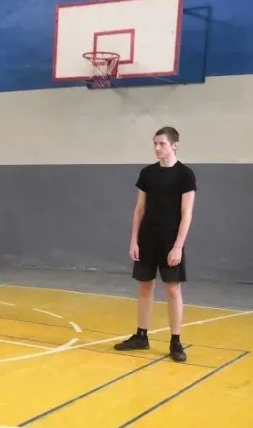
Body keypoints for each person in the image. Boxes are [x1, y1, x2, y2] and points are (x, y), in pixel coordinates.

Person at [113, 126, 197, 363]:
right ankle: (141, 336)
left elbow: (187, 213)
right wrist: (134, 240)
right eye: (155, 144)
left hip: (170, 240)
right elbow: (139, 209)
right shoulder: (147, 173)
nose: (157, 148)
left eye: (162, 144)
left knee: (172, 289)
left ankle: (175, 341)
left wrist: (178, 246)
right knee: (145, 286)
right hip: (147, 238)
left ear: (174, 146)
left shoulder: (185, 175)